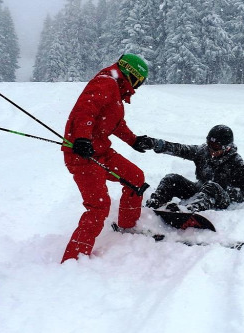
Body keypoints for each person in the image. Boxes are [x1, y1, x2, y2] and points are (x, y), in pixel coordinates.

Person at [60, 53, 156, 263]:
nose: (138, 87)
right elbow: (85, 111)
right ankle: (73, 260)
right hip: (82, 155)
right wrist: (82, 139)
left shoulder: (116, 91)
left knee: (135, 178)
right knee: (98, 207)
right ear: (130, 75)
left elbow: (114, 123)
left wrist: (134, 140)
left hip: (101, 152)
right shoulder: (105, 84)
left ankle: (126, 226)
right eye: (139, 81)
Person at [142, 125, 244, 213]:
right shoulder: (203, 151)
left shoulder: (238, 163)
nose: (211, 149)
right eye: (209, 143)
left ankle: (190, 211)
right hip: (200, 190)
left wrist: (228, 191)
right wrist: (155, 144)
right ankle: (155, 203)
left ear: (227, 147)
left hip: (223, 198)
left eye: (216, 146)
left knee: (212, 186)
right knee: (171, 179)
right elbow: (180, 149)